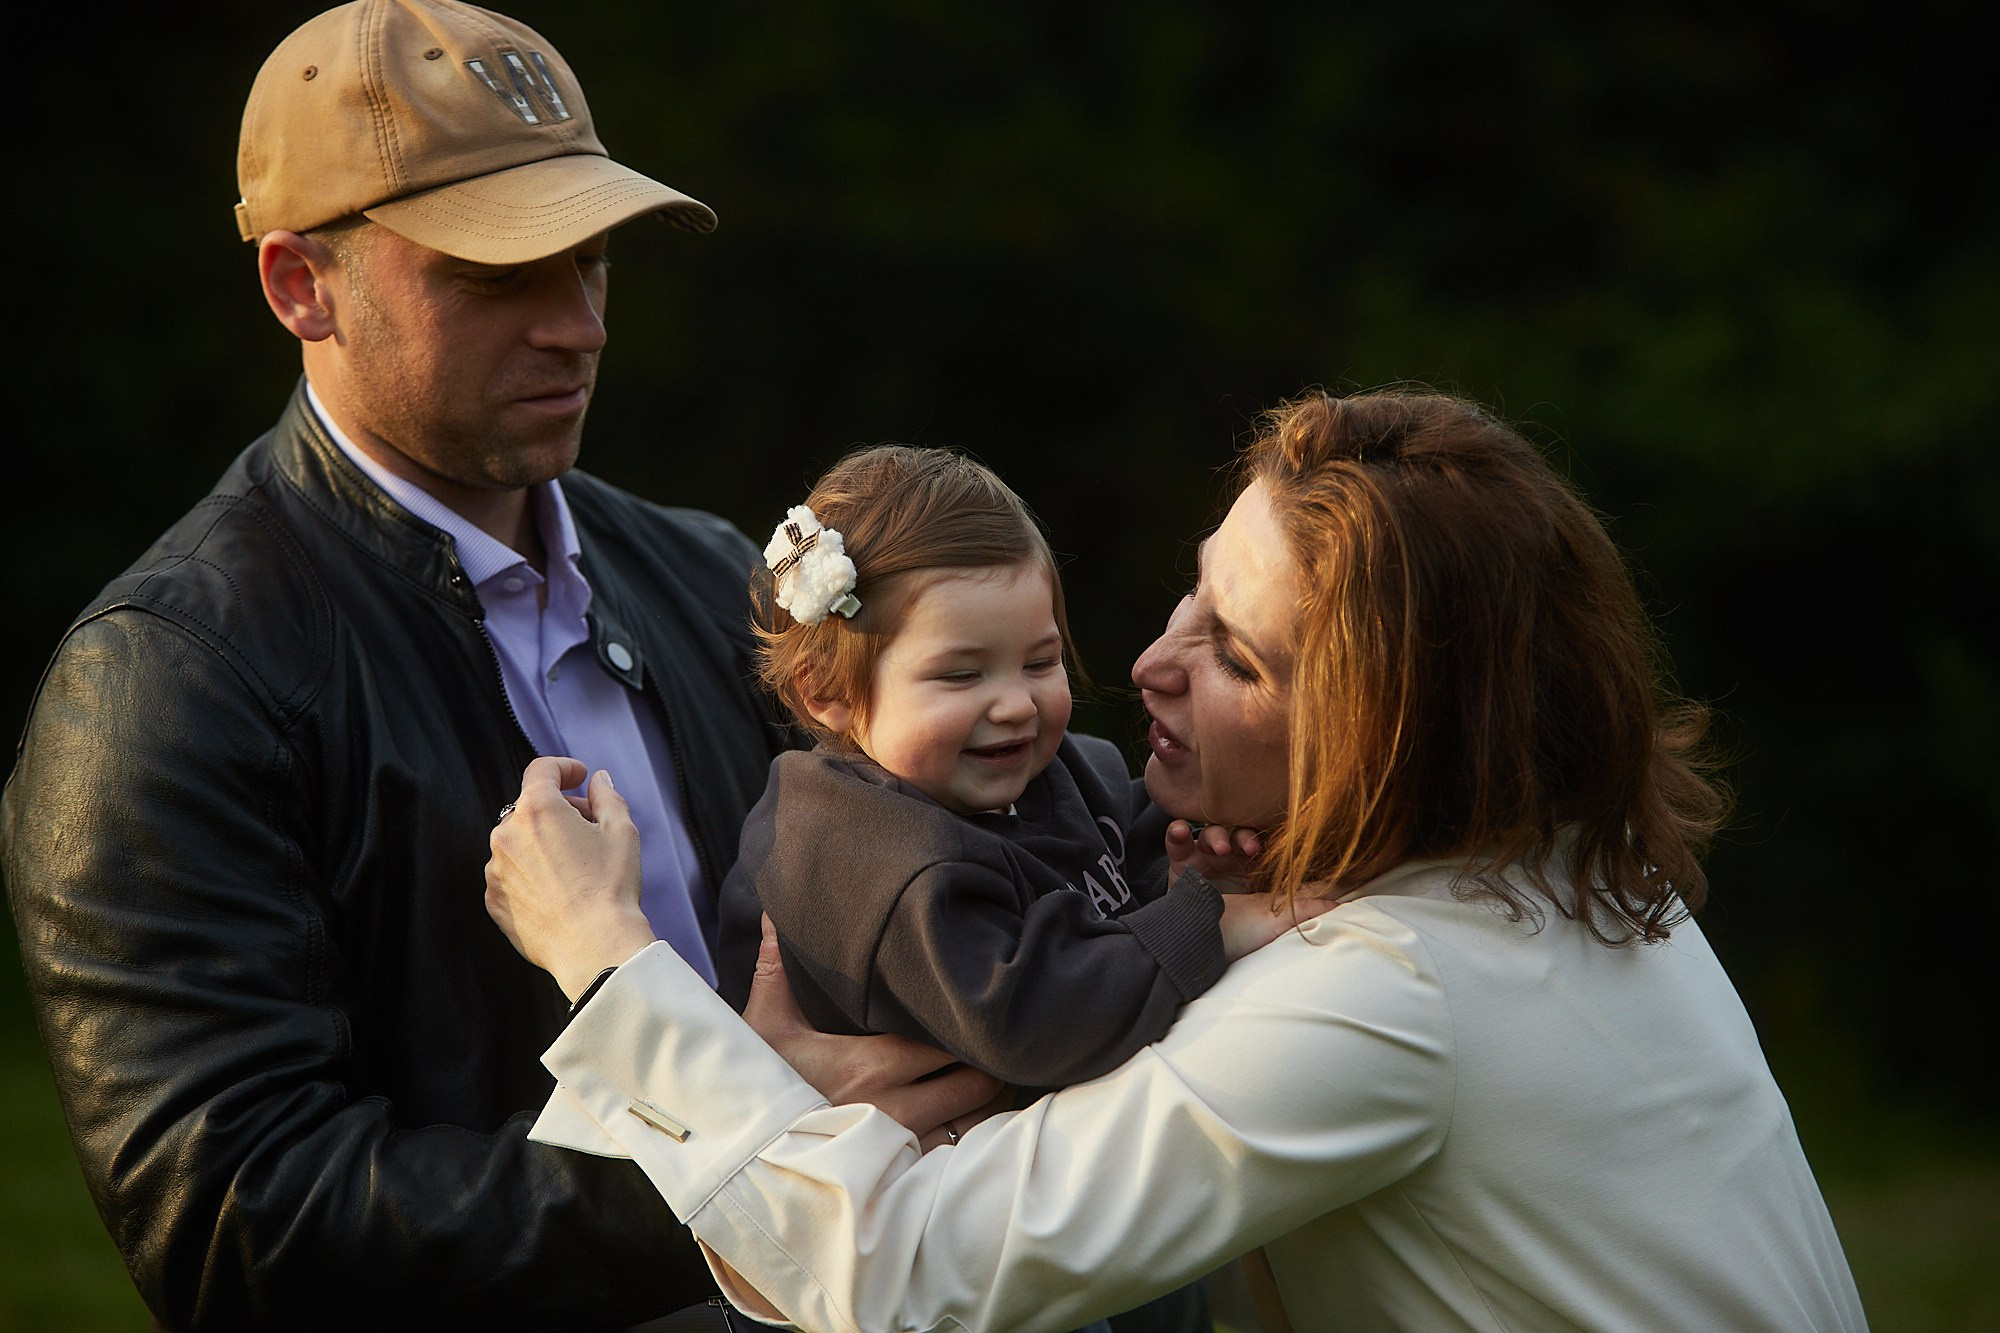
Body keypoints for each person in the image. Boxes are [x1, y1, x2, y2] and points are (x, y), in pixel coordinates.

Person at [0, 2, 987, 1329]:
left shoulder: (709, 578)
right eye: (494, 272)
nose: (577, 324)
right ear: (301, 285)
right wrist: (754, 1162)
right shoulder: (165, 686)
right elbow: (241, 1222)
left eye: (590, 260)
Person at [486, 389, 1867, 1331]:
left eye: (1236, 655)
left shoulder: (1385, 985)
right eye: (1193, 594)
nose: (1146, 664)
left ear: (1377, 736)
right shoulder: (1560, 863)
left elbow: (907, 1276)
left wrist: (614, 968)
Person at [708, 445, 1291, 1089]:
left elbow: (1107, 889)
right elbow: (1034, 1020)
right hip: (896, 1174)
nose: (1017, 706)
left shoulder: (1051, 772)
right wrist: (1211, 922)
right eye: (961, 676)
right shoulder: (865, 857)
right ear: (830, 693)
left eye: (1040, 662)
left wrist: (1187, 877)